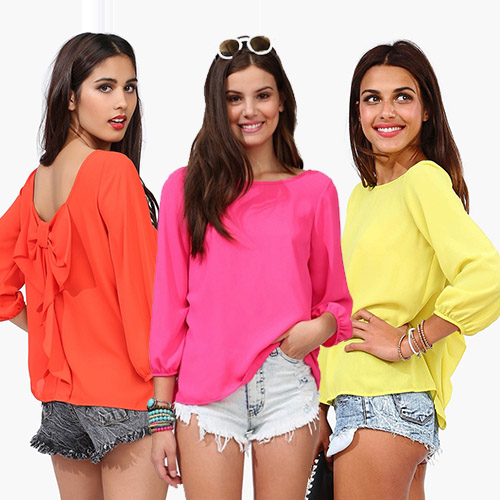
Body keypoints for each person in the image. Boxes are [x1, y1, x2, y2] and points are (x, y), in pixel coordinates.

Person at [149, 36, 352, 499]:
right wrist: (161, 417)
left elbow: (335, 301)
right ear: (216, 106)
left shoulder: (315, 191)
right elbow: (168, 307)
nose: (249, 110)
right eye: (234, 98)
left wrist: (317, 329)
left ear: (282, 101)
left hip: (287, 385)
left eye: (262, 95)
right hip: (206, 393)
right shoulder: (186, 188)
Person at [316, 40, 500, 499]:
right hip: (367, 403)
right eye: (372, 98)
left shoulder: (423, 180)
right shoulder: (363, 196)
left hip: (382, 402)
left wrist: (408, 342)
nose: (386, 112)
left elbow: (487, 275)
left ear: (426, 110)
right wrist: (319, 403)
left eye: (403, 96)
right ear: (357, 112)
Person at [0, 33, 167, 500]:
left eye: (130, 88)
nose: (122, 103)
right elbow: (144, 297)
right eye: (105, 87)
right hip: (128, 394)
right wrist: (167, 397)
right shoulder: (113, 173)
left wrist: (52, 334)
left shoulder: (36, 183)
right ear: (70, 97)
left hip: (60, 400)